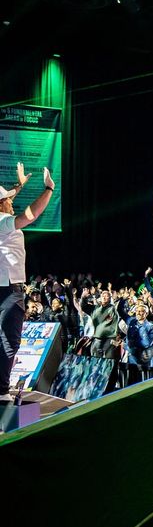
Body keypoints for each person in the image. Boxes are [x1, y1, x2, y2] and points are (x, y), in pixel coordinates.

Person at [0, 164, 55, 404]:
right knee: (9, 340)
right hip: (8, 289)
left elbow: (9, 200)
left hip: (5, 287)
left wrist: (19, 186)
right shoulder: (3, 221)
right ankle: (1, 391)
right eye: (8, 200)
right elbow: (30, 215)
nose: (13, 201)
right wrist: (49, 189)